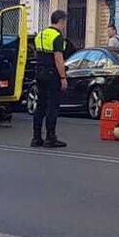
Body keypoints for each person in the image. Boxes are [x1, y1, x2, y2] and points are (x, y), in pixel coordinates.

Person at [32, 11, 70, 149]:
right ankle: (50, 138)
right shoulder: (57, 37)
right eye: (64, 22)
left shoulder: (40, 34)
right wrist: (63, 77)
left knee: (40, 105)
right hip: (52, 74)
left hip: (39, 72)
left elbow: (37, 54)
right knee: (52, 106)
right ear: (61, 21)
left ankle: (36, 138)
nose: (64, 25)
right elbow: (58, 58)